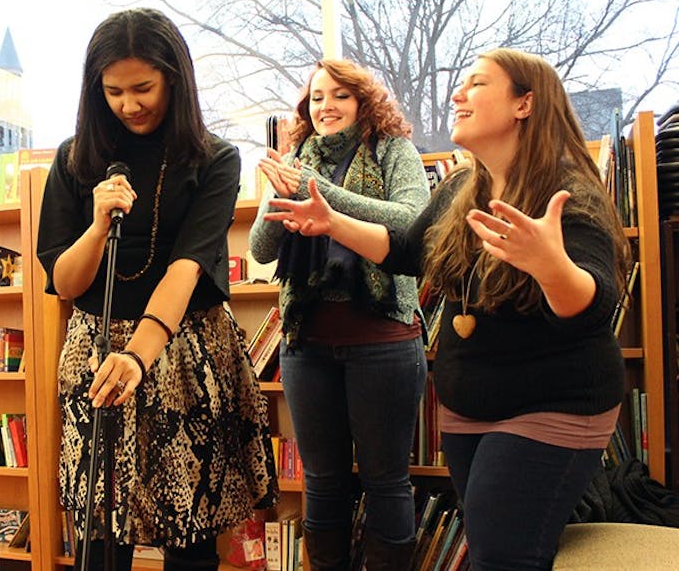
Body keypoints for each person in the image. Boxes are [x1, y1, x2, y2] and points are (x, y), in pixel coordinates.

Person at [263, 48, 629, 570]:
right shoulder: (463, 185)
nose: (457, 94)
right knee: (489, 545)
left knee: (503, 555)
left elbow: (596, 305)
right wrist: (330, 221)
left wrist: (550, 266)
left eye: (476, 84)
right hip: (468, 409)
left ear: (525, 104)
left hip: (552, 406)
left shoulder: (568, 191)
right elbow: (409, 249)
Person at [36, 7, 278, 571]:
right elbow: (65, 283)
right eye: (114, 91)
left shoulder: (214, 158)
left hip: (184, 349)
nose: (130, 104)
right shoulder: (76, 159)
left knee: (189, 526)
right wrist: (97, 225)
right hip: (95, 352)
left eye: (143, 87)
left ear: (175, 77)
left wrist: (138, 355)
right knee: (102, 523)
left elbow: (186, 268)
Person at [249, 58, 430, 570]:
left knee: (385, 479)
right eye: (317, 97)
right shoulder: (298, 157)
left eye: (340, 96)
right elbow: (262, 249)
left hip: (384, 340)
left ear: (364, 102)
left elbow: (413, 224)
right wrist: (283, 191)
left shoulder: (394, 151)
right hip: (307, 344)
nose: (326, 106)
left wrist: (318, 191)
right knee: (322, 482)